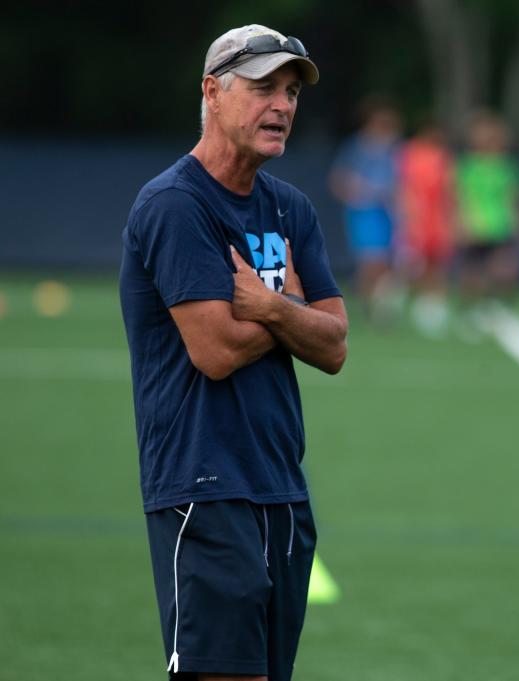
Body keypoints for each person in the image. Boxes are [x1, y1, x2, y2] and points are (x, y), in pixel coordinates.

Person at [119, 24, 348, 681]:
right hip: (202, 483)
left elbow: (334, 344)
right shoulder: (175, 204)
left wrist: (270, 305)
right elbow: (215, 348)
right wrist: (295, 311)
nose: (281, 105)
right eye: (262, 88)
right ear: (212, 93)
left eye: (290, 92)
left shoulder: (290, 209)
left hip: (281, 485)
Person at [455, 109, 519, 329]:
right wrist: (459, 222)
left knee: (506, 269)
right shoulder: (469, 166)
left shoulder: (508, 167)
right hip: (476, 225)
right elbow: (458, 197)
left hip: (502, 224)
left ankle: (502, 307)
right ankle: (470, 311)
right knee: (473, 271)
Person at [329, 95, 403, 322]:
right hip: (364, 212)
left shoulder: (394, 149)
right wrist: (357, 192)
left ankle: (378, 304)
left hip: (387, 211)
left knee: (387, 262)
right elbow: (338, 180)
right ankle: (369, 305)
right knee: (370, 260)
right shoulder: (356, 147)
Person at [397, 119, 457, 337]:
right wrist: (410, 218)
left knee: (436, 267)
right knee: (411, 267)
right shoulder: (410, 153)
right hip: (416, 221)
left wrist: (451, 220)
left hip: (436, 221)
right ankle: (392, 298)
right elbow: (405, 188)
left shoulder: (442, 157)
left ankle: (432, 311)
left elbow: (449, 191)